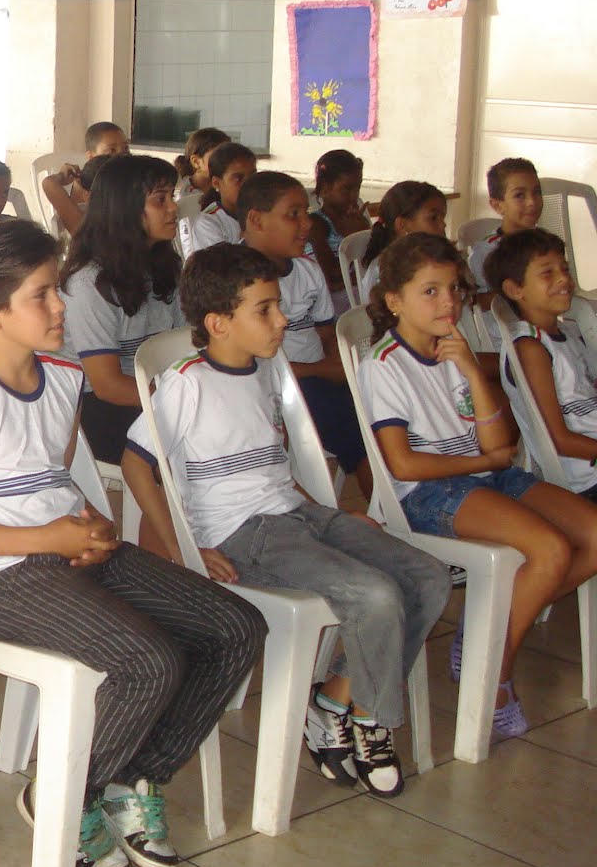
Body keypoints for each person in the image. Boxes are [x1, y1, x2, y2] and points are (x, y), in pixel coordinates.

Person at [0, 220, 264, 867]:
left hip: (65, 547)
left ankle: (133, 776)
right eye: (41, 295)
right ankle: (62, 795)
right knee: (148, 660)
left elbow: (50, 475)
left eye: (57, 290)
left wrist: (90, 525)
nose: (60, 306)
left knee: (235, 626)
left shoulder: (64, 375)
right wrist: (48, 537)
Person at [122, 244, 450, 797]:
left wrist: (329, 515)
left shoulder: (266, 367)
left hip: (297, 513)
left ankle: (336, 701)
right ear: (219, 323)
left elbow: (271, 463)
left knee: (428, 576)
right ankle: (373, 720)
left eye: (278, 305)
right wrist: (183, 548)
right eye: (265, 309)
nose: (282, 320)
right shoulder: (186, 383)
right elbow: (136, 465)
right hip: (244, 534)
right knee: (373, 594)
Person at [357, 232, 597, 736]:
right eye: (430, 291)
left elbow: (499, 442)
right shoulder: (384, 365)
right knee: (550, 548)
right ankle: (494, 678)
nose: (448, 302)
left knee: (594, 534)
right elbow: (402, 465)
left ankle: (486, 634)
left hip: (485, 476)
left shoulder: (453, 351)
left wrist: (470, 369)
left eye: (453, 289)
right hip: (427, 494)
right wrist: (483, 460)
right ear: (395, 301)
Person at [235, 171, 371, 496]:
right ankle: (390, 504)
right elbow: (246, 361)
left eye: (306, 213)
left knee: (380, 401)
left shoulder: (308, 271)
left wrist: (335, 365)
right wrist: (320, 370)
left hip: (316, 375)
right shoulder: (232, 277)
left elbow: (325, 332)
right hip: (271, 385)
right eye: (293, 214)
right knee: (351, 424)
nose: (306, 224)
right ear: (256, 220)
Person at [61, 154, 183, 465]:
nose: (173, 208)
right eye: (160, 200)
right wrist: (184, 400)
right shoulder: (88, 282)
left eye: (172, 196)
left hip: (155, 391)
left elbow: (184, 345)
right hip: (98, 406)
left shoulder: (164, 266)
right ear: (125, 208)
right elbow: (107, 385)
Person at [488, 229, 597, 498]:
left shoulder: (566, 333)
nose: (563, 279)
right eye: (547, 272)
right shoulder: (531, 348)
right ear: (515, 289)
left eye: (565, 269)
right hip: (586, 478)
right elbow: (558, 439)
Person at [356, 180, 448, 303]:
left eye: (443, 217)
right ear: (402, 225)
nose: (443, 225)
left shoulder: (437, 259)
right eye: (433, 218)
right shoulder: (385, 272)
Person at [470, 157, 546, 302]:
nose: (532, 202)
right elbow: (484, 302)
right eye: (519, 195)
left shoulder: (546, 242)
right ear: (498, 206)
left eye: (537, 192)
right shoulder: (487, 251)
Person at [306, 148, 370, 303]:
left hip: (354, 294)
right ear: (325, 188)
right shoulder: (316, 224)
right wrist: (353, 238)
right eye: (346, 189)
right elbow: (332, 275)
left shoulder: (358, 221)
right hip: (327, 301)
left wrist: (366, 233)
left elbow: (374, 263)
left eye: (358, 188)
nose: (354, 196)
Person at [179, 142, 255, 255]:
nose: (248, 184)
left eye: (253, 177)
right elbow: (221, 265)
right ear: (216, 183)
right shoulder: (208, 223)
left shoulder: (262, 212)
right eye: (238, 179)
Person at [173, 127, 230, 198]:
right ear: (196, 162)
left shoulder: (227, 187)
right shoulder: (181, 192)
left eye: (227, 156)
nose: (225, 162)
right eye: (218, 156)